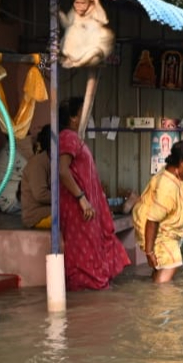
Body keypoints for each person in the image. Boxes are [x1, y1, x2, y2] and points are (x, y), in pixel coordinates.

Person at [58, 96, 130, 290]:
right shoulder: (68, 137)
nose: (87, 116)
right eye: (84, 112)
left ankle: (95, 291)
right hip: (78, 208)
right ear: (73, 117)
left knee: (93, 250)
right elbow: (62, 171)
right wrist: (82, 199)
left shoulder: (72, 138)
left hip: (85, 207)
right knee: (84, 252)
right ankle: (89, 292)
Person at [133, 140, 183, 284]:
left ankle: (153, 298)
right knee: (171, 265)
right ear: (182, 162)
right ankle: (161, 302)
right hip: (157, 231)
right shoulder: (167, 187)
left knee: (162, 268)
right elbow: (152, 220)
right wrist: (149, 252)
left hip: (169, 229)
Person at [20, 125, 54, 229]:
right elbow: (40, 194)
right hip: (36, 216)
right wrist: (63, 198)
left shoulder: (50, 160)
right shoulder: (38, 163)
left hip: (47, 210)